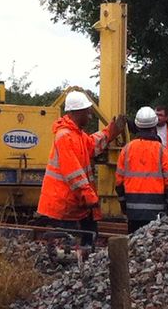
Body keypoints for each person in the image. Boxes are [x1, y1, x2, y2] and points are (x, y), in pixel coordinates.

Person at [37, 90, 126, 245]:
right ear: (78, 112)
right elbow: (73, 174)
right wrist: (90, 197)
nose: (90, 116)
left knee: (86, 239)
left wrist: (111, 132)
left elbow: (92, 145)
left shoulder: (76, 134)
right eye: (87, 112)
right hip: (64, 207)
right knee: (72, 247)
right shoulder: (65, 137)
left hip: (72, 204)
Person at [115, 106, 168, 233]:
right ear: (154, 126)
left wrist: (123, 205)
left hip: (133, 212)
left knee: (133, 245)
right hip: (157, 211)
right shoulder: (161, 150)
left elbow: (119, 182)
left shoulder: (127, 150)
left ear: (137, 126)